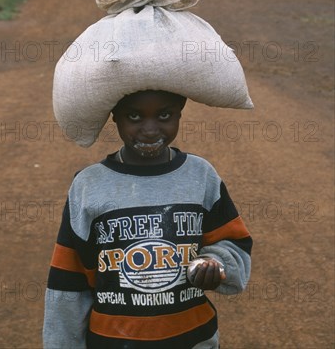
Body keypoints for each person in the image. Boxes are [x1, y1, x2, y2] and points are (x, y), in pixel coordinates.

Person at [43, 89, 252, 348]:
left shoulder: (201, 176)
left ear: (180, 110)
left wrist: (216, 264)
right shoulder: (88, 186)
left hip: (194, 340)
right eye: (134, 116)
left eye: (164, 115)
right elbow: (68, 282)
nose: (150, 129)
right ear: (114, 116)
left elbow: (236, 246)